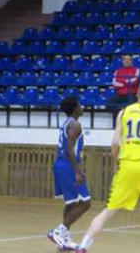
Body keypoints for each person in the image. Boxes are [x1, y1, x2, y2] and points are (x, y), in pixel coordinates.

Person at [77, 82, 140, 253]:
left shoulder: (124, 112)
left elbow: (115, 143)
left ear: (137, 93)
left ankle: (83, 245)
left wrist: (116, 162)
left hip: (127, 165)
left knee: (108, 210)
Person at [47, 96, 91, 250]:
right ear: (75, 109)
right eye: (79, 104)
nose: (82, 106)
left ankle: (64, 239)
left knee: (71, 203)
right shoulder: (75, 124)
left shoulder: (67, 123)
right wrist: (77, 171)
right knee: (86, 202)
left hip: (61, 164)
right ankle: (59, 231)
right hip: (67, 165)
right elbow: (69, 149)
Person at [109, 55, 140, 122]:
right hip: (121, 94)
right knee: (110, 103)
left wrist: (122, 82)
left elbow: (134, 81)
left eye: (129, 59)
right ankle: (122, 111)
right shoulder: (117, 71)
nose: (127, 61)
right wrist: (126, 82)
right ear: (122, 61)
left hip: (132, 93)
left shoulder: (136, 70)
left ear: (131, 61)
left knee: (131, 104)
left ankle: (126, 115)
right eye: (125, 59)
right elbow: (114, 83)